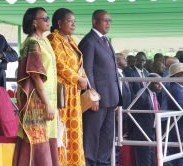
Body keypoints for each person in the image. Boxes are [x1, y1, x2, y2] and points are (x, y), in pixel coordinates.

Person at [12, 7, 59, 166]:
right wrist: (47, 104)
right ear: (34, 22)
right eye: (44, 18)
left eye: (48, 17)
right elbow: (35, 76)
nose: (48, 21)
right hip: (36, 102)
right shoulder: (32, 42)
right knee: (36, 139)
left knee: (48, 137)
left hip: (47, 100)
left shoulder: (44, 40)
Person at [78, 10, 123, 166]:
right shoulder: (89, 41)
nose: (108, 23)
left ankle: (102, 163)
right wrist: (93, 96)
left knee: (107, 137)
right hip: (96, 100)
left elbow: (112, 71)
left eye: (110, 20)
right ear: (94, 21)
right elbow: (86, 70)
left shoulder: (105, 40)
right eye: (105, 20)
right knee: (91, 137)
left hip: (110, 98)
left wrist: (118, 96)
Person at [47, 8, 87, 166]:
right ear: (59, 22)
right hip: (61, 92)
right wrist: (79, 78)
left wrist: (83, 77)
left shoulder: (71, 40)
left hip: (74, 92)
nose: (73, 24)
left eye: (75, 21)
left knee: (74, 132)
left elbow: (78, 63)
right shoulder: (53, 39)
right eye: (70, 21)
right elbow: (59, 64)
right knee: (62, 131)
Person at [127, 73, 162, 166]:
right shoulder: (142, 95)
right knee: (144, 163)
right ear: (149, 84)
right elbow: (131, 115)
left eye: (161, 83)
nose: (160, 86)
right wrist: (129, 133)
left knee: (152, 162)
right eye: (157, 83)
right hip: (142, 134)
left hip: (152, 134)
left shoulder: (153, 94)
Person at [115, 53, 132, 166]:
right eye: (123, 58)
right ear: (117, 62)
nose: (126, 60)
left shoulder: (122, 73)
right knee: (116, 139)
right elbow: (115, 94)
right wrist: (117, 112)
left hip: (124, 113)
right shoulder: (115, 74)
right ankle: (114, 162)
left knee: (119, 139)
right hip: (118, 113)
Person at [166, 63, 183, 166]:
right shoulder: (176, 90)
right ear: (176, 75)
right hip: (178, 130)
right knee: (178, 159)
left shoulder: (178, 88)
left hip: (179, 129)